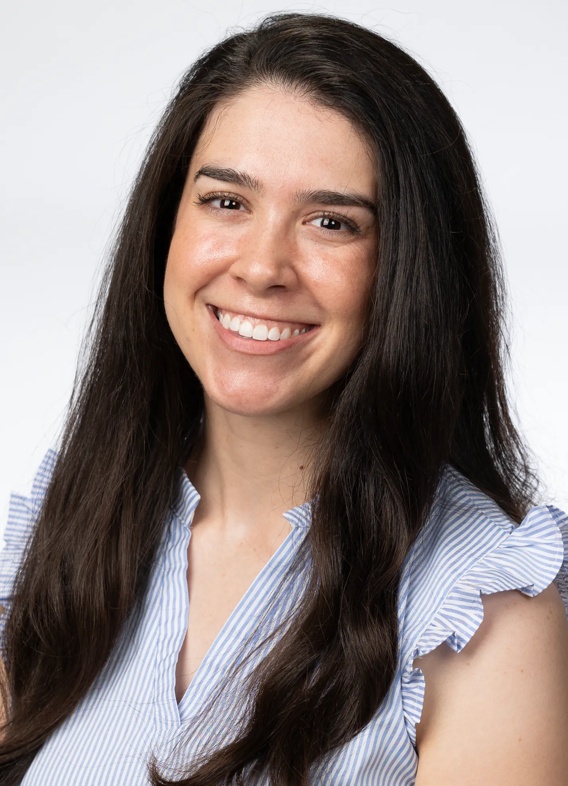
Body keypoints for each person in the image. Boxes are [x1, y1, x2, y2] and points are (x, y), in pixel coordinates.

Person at [1, 12, 567, 786]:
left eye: (331, 222)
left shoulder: (482, 605)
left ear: (411, 271)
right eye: (226, 202)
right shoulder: (75, 520)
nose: (263, 266)